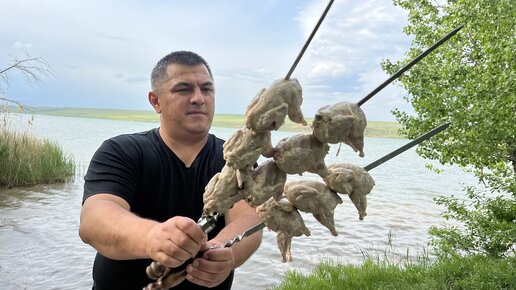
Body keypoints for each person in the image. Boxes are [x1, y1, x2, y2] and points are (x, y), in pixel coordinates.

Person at [79, 51, 263, 290]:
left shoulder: (236, 158)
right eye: (183, 89)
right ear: (155, 101)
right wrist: (152, 237)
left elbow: (249, 218)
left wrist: (227, 252)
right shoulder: (121, 151)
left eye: (207, 89)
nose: (198, 98)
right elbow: (94, 220)